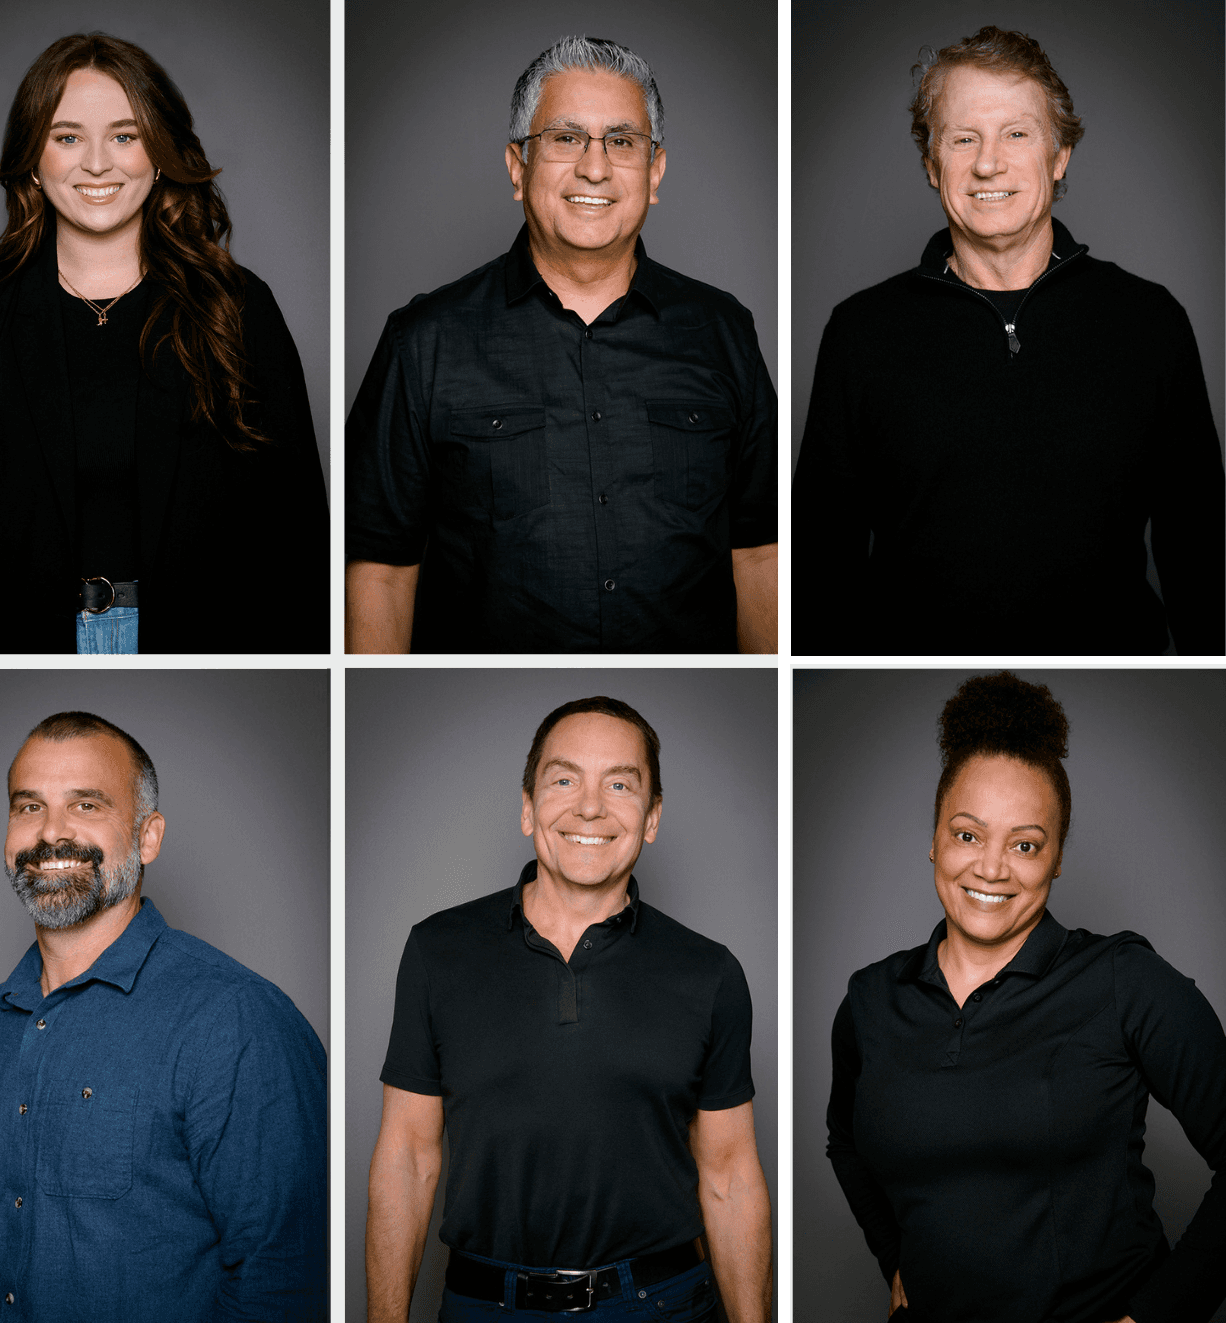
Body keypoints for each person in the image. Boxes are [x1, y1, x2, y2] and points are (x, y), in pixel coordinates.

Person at [793, 27, 1225, 656]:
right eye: (963, 138)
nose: (988, 162)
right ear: (931, 162)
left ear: (1059, 156)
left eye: (1016, 134)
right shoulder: (861, 332)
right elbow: (819, 567)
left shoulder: (1150, 321)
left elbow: (1203, 553)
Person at [0, 34, 328, 655]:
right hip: (20, 644)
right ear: (33, 160)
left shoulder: (240, 308)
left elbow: (295, 535)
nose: (97, 163)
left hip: (204, 642)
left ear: (159, 153)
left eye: (125, 135)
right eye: (68, 137)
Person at [346, 36, 777, 655]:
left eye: (622, 142)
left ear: (654, 172)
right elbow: (381, 570)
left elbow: (761, 553)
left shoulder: (723, 332)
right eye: (566, 138)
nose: (595, 169)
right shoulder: (424, 342)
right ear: (518, 166)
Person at [826, 673, 1226, 1322]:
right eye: (966, 834)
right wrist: (892, 1258)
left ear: (1056, 857)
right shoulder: (871, 1000)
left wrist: (1156, 1316)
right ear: (932, 839)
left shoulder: (1125, 980)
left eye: (1024, 844)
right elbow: (841, 1140)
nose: (990, 866)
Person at [367, 697, 771, 1322]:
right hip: (485, 1308)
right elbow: (407, 1159)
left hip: (657, 1307)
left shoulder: (710, 972)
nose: (589, 807)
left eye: (619, 784)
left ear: (653, 816)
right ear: (528, 807)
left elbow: (730, 1176)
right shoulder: (437, 950)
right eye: (564, 780)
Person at [0, 711, 327, 1319]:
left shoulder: (238, 1021)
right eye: (28, 806)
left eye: (86, 805)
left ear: (148, 836)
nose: (51, 834)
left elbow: (283, 1281)